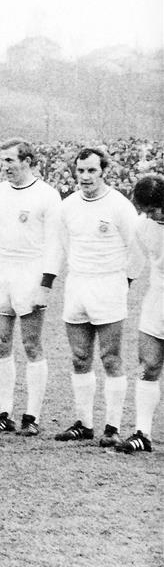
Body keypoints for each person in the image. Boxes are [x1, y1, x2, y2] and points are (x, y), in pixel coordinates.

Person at [0, 139, 63, 436]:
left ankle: (32, 415)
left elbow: (54, 245)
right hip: (0, 271)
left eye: (10, 160)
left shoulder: (48, 195)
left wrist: (45, 285)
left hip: (31, 272)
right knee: (0, 343)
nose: (5, 166)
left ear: (27, 160)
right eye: (2, 161)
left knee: (32, 345)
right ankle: (4, 412)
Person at [53, 147, 142, 447]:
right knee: (79, 358)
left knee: (111, 358)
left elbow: (137, 251)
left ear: (104, 171)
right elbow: (64, 245)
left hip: (109, 286)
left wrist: (121, 283)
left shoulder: (119, 206)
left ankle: (112, 426)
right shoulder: (67, 207)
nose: (86, 177)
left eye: (92, 170)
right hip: (77, 285)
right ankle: (84, 423)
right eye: (81, 171)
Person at [118, 173, 164, 453]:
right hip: (158, 297)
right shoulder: (142, 225)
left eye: (156, 208)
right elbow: (135, 262)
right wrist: (123, 287)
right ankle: (142, 433)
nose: (152, 214)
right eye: (147, 210)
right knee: (148, 366)